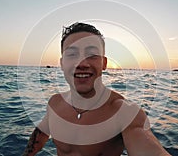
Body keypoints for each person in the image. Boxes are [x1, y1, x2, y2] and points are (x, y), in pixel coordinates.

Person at [22, 22, 170, 156]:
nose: (81, 63)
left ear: (104, 63)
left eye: (92, 55)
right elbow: (40, 135)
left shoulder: (124, 113)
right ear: (62, 63)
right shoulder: (55, 103)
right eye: (72, 54)